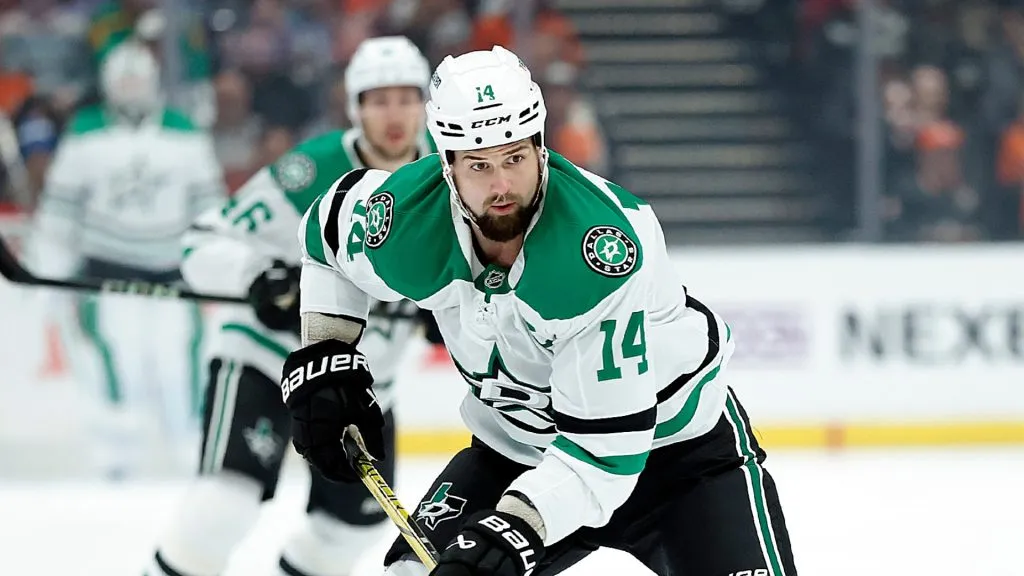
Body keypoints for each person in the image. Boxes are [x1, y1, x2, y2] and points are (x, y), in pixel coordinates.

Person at [284, 46, 798, 576]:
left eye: (515, 158)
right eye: (479, 165)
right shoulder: (405, 221)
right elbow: (324, 239)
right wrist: (326, 353)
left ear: (539, 146)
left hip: (677, 458)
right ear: (446, 166)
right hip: (519, 450)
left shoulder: (594, 253)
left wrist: (514, 530)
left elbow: (606, 456)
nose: (501, 185)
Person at [145, 36, 441, 576]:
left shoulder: (449, 178)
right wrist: (258, 276)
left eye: (406, 97)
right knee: (220, 510)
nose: (394, 114)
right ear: (356, 107)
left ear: (426, 103)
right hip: (265, 359)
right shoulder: (313, 168)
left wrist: (452, 311)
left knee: (351, 530)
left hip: (360, 383)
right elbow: (202, 242)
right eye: (378, 99)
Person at [26, 39, 225, 478]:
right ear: (108, 84)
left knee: (180, 366)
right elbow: (60, 215)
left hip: (174, 279)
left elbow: (210, 211)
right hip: (106, 277)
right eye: (124, 80)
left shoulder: (185, 132)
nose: (132, 87)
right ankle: (115, 462)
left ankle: (191, 457)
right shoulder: (84, 132)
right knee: (117, 366)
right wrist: (48, 275)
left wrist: (219, 266)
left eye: (139, 79)